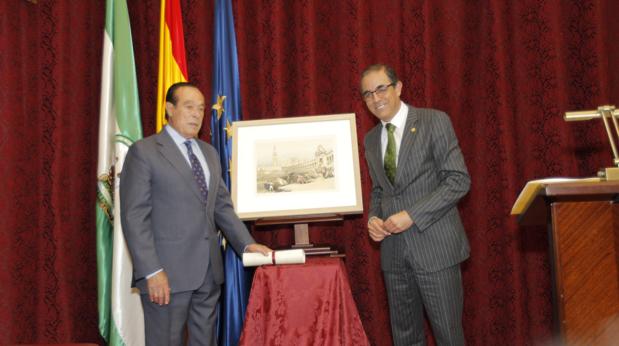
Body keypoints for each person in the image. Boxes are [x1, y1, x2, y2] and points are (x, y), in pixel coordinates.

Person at [120, 82, 271, 346]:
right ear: (169, 109)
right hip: (165, 276)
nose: (196, 114)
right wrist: (152, 271)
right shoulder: (144, 152)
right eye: (189, 107)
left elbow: (221, 206)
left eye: (201, 109)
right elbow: (134, 217)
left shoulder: (209, 153)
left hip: (208, 274)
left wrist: (246, 244)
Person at [361, 64, 470, 346]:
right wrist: (374, 218)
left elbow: (458, 180)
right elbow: (379, 191)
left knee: (449, 337)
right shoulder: (371, 140)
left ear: (398, 88)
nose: (375, 98)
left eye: (381, 88)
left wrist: (412, 215)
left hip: (436, 250)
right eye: (368, 94)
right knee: (405, 339)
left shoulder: (434, 122)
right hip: (394, 255)